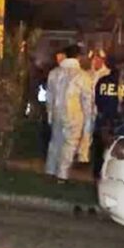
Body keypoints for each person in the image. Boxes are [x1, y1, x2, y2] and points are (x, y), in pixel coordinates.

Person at [45, 45, 93, 180]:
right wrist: (88, 119)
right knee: (70, 144)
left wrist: (50, 115)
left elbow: (49, 97)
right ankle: (62, 175)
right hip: (75, 114)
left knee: (55, 142)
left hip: (57, 113)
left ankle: (50, 171)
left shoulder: (54, 73)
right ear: (78, 57)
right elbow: (87, 100)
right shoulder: (83, 76)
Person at [91, 61, 124, 179]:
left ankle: (97, 173)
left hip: (102, 118)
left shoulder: (102, 81)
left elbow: (96, 99)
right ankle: (110, 173)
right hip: (117, 121)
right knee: (115, 148)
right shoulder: (123, 82)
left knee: (100, 148)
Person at [77, 49, 111, 164]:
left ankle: (102, 159)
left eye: (98, 59)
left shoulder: (108, 74)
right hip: (87, 108)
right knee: (86, 132)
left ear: (103, 60)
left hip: (101, 109)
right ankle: (83, 158)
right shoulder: (86, 74)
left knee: (102, 135)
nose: (95, 62)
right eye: (93, 59)